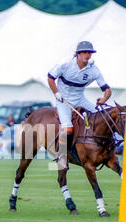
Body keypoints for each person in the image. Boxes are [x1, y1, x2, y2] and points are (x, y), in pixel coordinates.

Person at [47, 41, 111, 169]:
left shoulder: (93, 70)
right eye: (85, 52)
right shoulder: (65, 64)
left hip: (80, 99)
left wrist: (104, 99)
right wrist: (56, 93)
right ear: (78, 54)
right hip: (63, 100)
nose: (88, 55)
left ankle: (109, 148)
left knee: (103, 117)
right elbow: (50, 77)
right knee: (68, 128)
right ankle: (61, 157)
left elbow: (107, 89)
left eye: (90, 53)